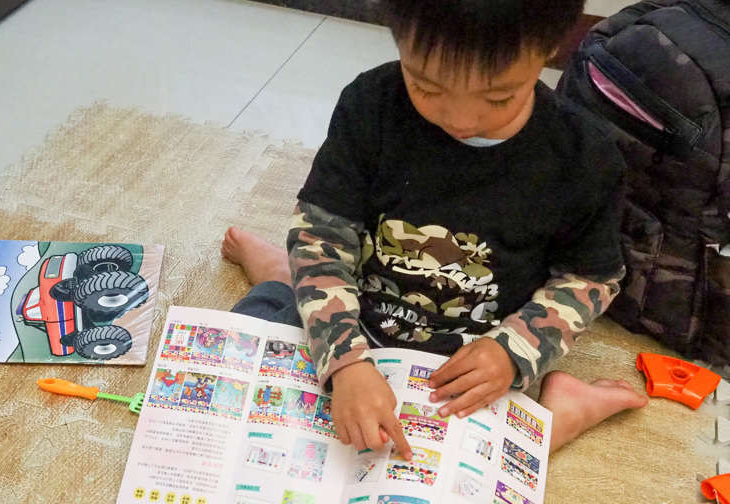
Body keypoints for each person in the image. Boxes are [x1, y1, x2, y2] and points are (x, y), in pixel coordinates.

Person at [223, 0, 647, 458]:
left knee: (486, 457)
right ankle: (282, 278)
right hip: (361, 317)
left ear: (550, 47)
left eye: (498, 98)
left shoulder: (583, 155)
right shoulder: (370, 105)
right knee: (244, 369)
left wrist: (512, 351)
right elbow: (323, 235)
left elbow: (590, 278)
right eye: (426, 86)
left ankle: (568, 407)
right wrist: (343, 359)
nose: (460, 121)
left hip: (473, 357)